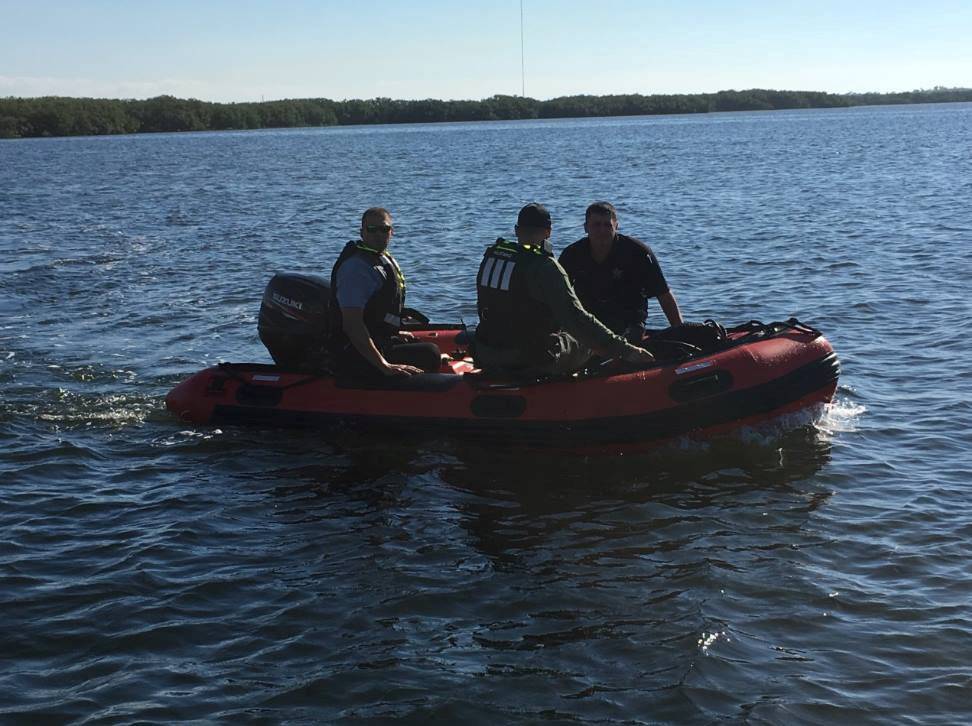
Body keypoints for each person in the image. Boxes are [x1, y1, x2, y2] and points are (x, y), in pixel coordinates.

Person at [474, 203, 656, 375]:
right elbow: (577, 318)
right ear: (548, 232)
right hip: (531, 360)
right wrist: (626, 349)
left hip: (487, 352)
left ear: (516, 230)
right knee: (587, 341)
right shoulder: (545, 266)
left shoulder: (492, 257)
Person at [328, 208, 442, 377]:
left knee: (422, 343)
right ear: (362, 232)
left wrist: (393, 331)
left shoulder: (379, 260)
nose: (378, 234)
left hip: (378, 336)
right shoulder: (356, 269)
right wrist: (385, 366)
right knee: (429, 354)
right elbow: (352, 325)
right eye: (371, 229)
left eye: (384, 229)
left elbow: (376, 312)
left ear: (391, 232)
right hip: (352, 351)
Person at [559, 201, 682, 342]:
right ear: (586, 228)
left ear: (616, 226)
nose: (602, 230)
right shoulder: (572, 254)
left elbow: (663, 294)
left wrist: (679, 331)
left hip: (628, 323)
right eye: (596, 225)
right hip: (588, 323)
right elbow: (557, 295)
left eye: (607, 225)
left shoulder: (637, 252)